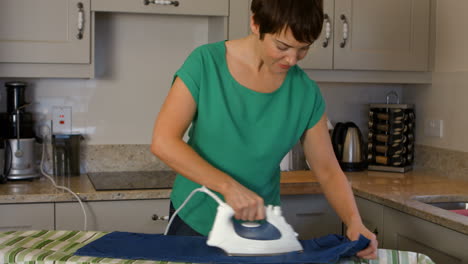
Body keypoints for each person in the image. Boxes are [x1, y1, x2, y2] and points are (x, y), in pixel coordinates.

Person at [151, 0, 378, 260]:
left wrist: (353, 221)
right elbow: (163, 141)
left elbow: (326, 169)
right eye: (282, 46)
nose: (292, 59)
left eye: (304, 48)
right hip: (194, 221)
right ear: (255, 23)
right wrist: (228, 187)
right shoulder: (205, 64)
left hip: (257, 230)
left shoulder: (306, 93)